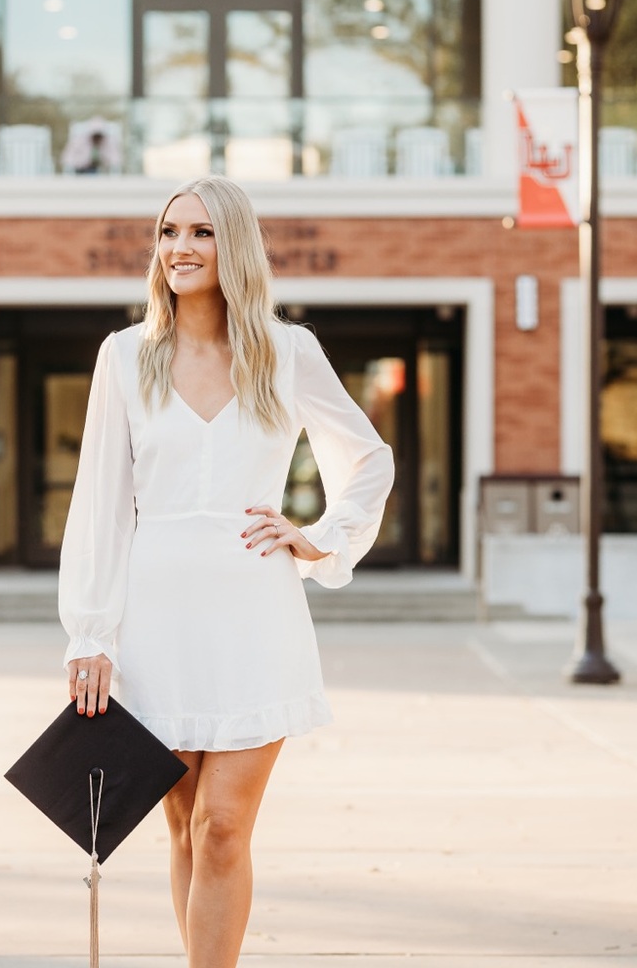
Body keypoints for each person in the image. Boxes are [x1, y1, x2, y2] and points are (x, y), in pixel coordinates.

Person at [58, 175, 394, 966]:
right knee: (182, 828)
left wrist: (320, 537)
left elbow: (368, 460)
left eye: (202, 233)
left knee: (223, 827)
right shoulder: (124, 357)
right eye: (170, 232)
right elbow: (99, 504)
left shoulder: (287, 352)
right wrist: (90, 635)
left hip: (254, 615)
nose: (180, 248)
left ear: (233, 244)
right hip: (153, 626)